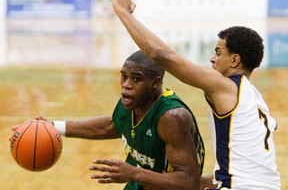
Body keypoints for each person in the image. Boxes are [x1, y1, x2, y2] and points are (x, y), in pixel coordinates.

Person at [105, 0, 281, 189]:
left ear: (235, 60)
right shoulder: (255, 99)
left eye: (218, 52)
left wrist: (123, 13)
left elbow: (161, 55)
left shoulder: (226, 86)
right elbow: (235, 175)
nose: (212, 59)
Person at [12, 50, 205, 190]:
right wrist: (53, 127)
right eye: (123, 76)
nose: (126, 85)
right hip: (142, 181)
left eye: (136, 79)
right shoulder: (131, 100)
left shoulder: (171, 118)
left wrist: (132, 173)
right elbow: (113, 125)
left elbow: (189, 182)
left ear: (155, 83)